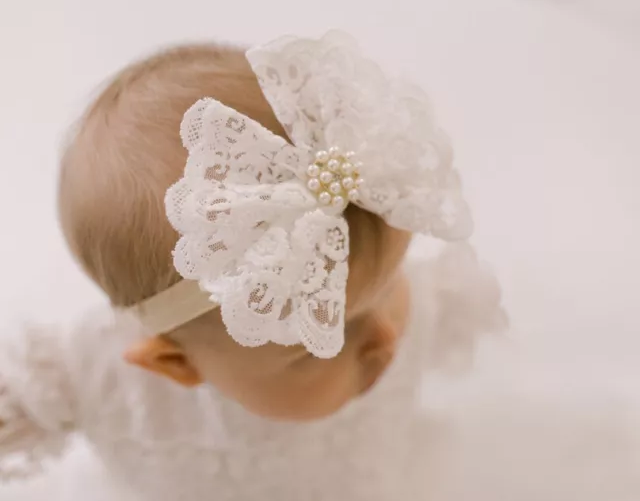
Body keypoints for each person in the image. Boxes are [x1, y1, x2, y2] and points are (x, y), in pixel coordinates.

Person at [0, 31, 505, 499]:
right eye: (324, 335)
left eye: (391, 284)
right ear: (175, 364)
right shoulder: (97, 373)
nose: (388, 339)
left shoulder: (379, 291)